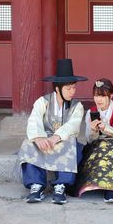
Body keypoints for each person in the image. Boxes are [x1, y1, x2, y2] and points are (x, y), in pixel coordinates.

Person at [18, 59, 87, 205]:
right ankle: (36, 186)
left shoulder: (77, 106)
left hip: (62, 140)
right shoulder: (42, 102)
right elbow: (34, 120)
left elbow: (73, 125)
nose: (72, 91)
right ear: (57, 89)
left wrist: (57, 137)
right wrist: (38, 138)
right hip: (45, 140)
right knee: (29, 143)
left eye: (74, 88)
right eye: (68, 88)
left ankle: (60, 186)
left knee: (70, 143)